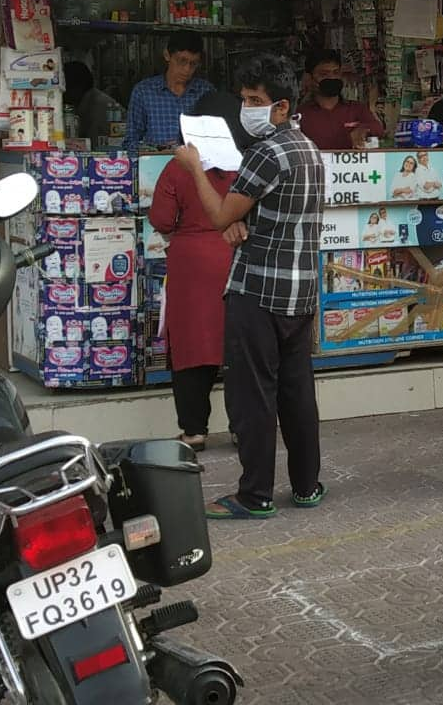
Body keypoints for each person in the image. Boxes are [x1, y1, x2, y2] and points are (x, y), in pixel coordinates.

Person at [173, 53, 327, 520]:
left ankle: (254, 494)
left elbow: (221, 214)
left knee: (252, 397)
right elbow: (261, 217)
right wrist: (242, 224)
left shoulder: (267, 152)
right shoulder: (308, 149)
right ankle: (306, 486)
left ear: (281, 106)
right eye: (244, 99)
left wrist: (194, 167)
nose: (247, 108)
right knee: (297, 394)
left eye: (255, 100)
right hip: (299, 293)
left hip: (257, 291)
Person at [148, 91, 252, 451]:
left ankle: (194, 430)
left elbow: (161, 218)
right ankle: (243, 427)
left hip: (190, 265)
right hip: (237, 257)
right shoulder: (249, 162)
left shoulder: (179, 166)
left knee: (192, 347)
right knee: (239, 348)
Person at [123, 32, 214, 149]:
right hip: (155, 165)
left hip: (197, 165)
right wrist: (158, 149)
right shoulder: (144, 92)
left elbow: (216, 140)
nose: (187, 69)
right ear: (167, 55)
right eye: (182, 61)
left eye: (193, 64)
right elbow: (131, 141)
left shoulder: (206, 92)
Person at [297, 49, 385, 150]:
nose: (332, 77)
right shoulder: (301, 114)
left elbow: (379, 129)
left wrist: (364, 129)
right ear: (309, 78)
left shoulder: (357, 108)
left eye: (336, 72)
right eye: (324, 74)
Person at [63, 60, 120, 144]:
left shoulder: (98, 107)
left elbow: (94, 148)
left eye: (64, 87)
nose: (63, 94)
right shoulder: (88, 102)